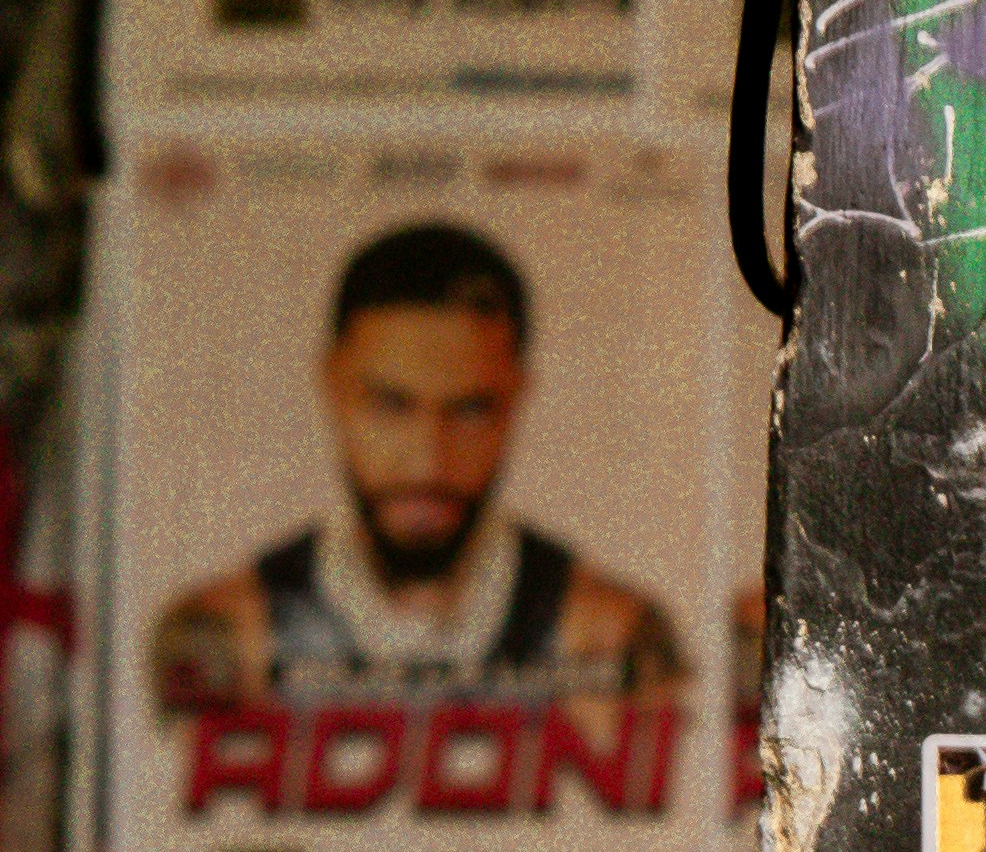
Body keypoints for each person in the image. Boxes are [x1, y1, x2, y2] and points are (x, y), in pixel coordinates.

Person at [150, 219, 686, 709]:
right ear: (331, 384)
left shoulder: (610, 635)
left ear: (518, 395)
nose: (429, 459)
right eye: (390, 404)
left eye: (470, 409)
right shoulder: (228, 634)